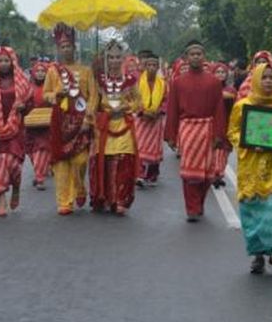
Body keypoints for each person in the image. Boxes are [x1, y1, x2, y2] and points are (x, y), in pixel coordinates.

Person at [227, 63, 272, 275]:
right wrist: (246, 142)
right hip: (251, 167)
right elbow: (233, 131)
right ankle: (258, 256)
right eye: (263, 77)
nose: (268, 81)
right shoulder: (242, 106)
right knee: (252, 213)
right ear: (255, 80)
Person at [165, 41, 227, 222]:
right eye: (192, 54)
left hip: (207, 128)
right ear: (186, 58)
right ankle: (191, 207)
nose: (196, 57)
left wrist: (218, 134)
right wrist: (170, 135)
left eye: (199, 54)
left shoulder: (214, 82)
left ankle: (199, 201)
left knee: (207, 173)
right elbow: (172, 110)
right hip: (187, 130)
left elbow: (219, 110)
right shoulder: (177, 83)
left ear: (204, 56)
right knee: (189, 172)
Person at [43, 24, 98, 215]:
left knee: (80, 160)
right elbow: (46, 95)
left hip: (81, 121)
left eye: (69, 46)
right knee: (60, 162)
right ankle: (64, 202)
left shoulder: (85, 71)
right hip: (60, 121)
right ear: (58, 49)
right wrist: (57, 94)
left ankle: (79, 186)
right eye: (63, 47)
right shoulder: (52, 71)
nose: (66, 50)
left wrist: (88, 119)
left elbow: (93, 95)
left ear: (75, 48)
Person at [89, 40, 140, 215]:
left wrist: (126, 108)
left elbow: (138, 103)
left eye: (118, 57)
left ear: (123, 59)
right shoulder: (99, 80)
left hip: (124, 124)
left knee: (124, 160)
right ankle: (105, 198)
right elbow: (93, 102)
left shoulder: (131, 80)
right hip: (104, 125)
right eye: (111, 58)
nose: (115, 61)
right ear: (106, 59)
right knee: (105, 161)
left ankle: (120, 200)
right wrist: (91, 117)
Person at [0, 47, 32, 217]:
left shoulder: (22, 81)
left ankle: (16, 186)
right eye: (0, 61)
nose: (3, 64)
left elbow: (29, 101)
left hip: (15, 128)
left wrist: (24, 107)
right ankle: (1, 199)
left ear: (12, 62)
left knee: (12, 163)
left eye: (6, 61)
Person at [135, 51, 167, 187]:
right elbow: (133, 99)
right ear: (145, 66)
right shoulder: (137, 82)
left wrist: (158, 111)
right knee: (140, 146)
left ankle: (153, 174)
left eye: (155, 65)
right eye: (149, 65)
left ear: (158, 67)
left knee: (154, 148)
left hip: (156, 120)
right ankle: (140, 174)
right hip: (142, 119)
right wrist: (143, 111)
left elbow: (166, 100)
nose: (152, 67)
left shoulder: (163, 83)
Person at [25, 61, 52, 190]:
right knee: (31, 151)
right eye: (38, 71)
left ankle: (40, 178)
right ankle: (39, 171)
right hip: (30, 126)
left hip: (46, 125)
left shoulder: (50, 89)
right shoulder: (28, 88)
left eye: (43, 71)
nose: (40, 74)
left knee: (42, 150)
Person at [212, 62, 236, 188]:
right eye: (217, 72)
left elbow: (233, 101)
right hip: (212, 123)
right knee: (214, 150)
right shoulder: (208, 88)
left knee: (224, 150)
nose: (220, 75)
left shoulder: (230, 90)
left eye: (223, 72)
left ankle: (219, 173)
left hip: (227, 123)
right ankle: (214, 173)